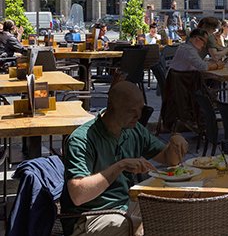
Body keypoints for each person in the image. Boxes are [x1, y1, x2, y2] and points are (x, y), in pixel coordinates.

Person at [61, 81, 188, 236]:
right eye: (131, 111)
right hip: (88, 217)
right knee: (148, 228)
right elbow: (78, 195)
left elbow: (169, 159)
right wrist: (119, 166)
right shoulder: (82, 140)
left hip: (124, 206)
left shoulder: (133, 130)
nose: (139, 116)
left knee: (176, 215)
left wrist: (176, 142)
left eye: (140, 109)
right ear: (111, 107)